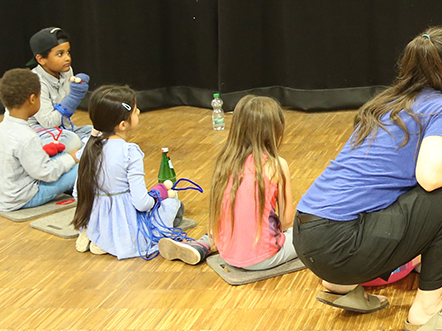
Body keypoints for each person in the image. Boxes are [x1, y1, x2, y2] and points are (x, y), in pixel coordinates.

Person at [294, 25, 442, 331]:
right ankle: (427, 311)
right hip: (342, 245)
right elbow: (430, 178)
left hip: (307, 238)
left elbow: (401, 177)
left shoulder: (386, 102)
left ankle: (339, 286)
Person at [72, 85, 209, 263]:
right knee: (171, 203)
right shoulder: (129, 152)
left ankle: (94, 236)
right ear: (122, 125)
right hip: (124, 224)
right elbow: (141, 204)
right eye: (135, 111)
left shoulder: (87, 148)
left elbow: (77, 193)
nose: (139, 111)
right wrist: (158, 195)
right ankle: (111, 242)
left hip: (96, 218)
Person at [210, 95, 298, 271]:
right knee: (311, 236)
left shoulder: (224, 162)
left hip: (227, 254)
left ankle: (203, 244)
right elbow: (286, 221)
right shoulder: (277, 165)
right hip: (263, 258)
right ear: (275, 129)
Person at [0, 68, 79, 212]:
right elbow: (46, 173)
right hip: (24, 197)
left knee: (62, 157)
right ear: (32, 99)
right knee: (82, 166)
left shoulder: (4, 127)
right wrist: (72, 158)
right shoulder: (26, 136)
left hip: (7, 193)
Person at [19, 27, 94, 148]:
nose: (67, 58)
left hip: (59, 128)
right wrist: (75, 96)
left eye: (68, 52)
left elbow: (62, 119)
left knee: (98, 133)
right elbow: (48, 122)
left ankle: (81, 151)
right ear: (41, 59)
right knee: (71, 141)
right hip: (32, 131)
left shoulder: (67, 70)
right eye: (60, 54)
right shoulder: (35, 81)